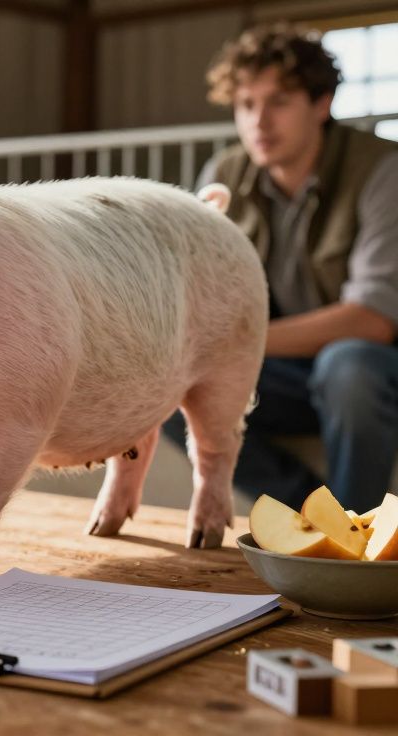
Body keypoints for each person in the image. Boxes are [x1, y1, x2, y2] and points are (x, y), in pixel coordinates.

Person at [164, 24, 398, 512]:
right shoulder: (226, 174)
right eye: (246, 104)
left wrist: (239, 341)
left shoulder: (382, 170)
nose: (259, 122)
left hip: (374, 368)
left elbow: (372, 321)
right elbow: (196, 293)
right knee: (166, 381)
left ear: (322, 103)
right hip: (286, 368)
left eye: (279, 101)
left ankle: (355, 531)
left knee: (348, 366)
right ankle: (309, 515)